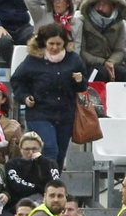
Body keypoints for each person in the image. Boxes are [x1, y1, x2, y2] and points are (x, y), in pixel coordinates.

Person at [10, 22, 88, 169]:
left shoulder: (74, 59)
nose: (55, 47)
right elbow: (17, 81)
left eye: (59, 44)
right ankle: (48, 181)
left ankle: (52, 182)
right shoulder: (33, 59)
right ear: (44, 42)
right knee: (50, 149)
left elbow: (82, 87)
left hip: (65, 114)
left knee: (60, 154)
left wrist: (80, 80)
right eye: (51, 43)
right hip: (40, 113)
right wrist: (25, 97)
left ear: (65, 43)